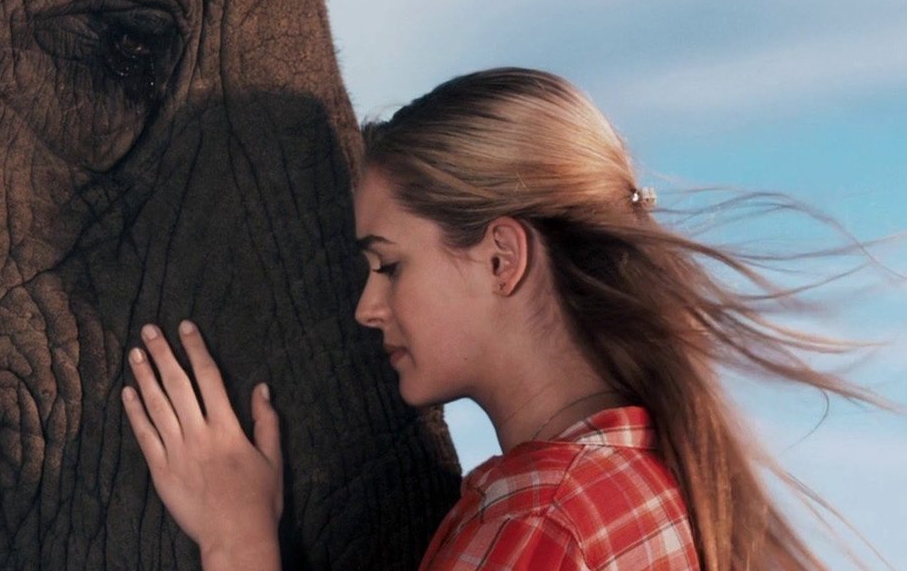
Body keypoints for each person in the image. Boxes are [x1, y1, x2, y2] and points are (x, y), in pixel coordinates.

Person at [119, 67, 883, 570]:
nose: (366, 305)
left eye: (389, 263)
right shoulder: (649, 482)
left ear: (500, 259)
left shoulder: (544, 523)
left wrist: (236, 540)